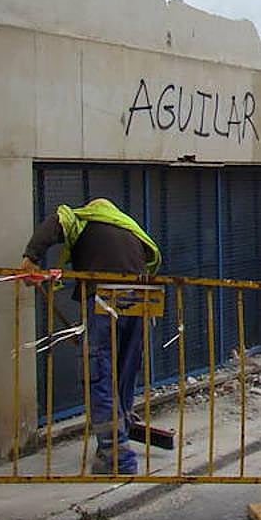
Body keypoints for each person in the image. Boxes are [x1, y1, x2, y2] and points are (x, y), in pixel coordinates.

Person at [20, 198, 161, 475]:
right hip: (143, 298)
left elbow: (58, 220)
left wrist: (31, 257)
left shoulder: (84, 219)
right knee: (124, 374)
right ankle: (115, 439)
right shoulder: (129, 227)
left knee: (100, 374)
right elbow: (151, 258)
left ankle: (115, 456)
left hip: (107, 298)